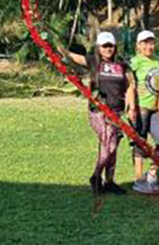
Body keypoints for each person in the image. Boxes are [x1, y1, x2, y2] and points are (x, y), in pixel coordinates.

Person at [59, 31, 136, 195]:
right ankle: (95, 176)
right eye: (104, 46)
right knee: (109, 143)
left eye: (110, 46)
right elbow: (71, 56)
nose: (108, 49)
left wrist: (132, 107)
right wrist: (54, 43)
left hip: (117, 112)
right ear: (99, 47)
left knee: (113, 147)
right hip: (98, 111)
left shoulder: (122, 65)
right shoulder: (93, 61)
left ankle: (109, 182)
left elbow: (129, 86)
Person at [130, 30, 159, 194]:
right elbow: (128, 83)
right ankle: (138, 180)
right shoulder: (135, 62)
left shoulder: (157, 62)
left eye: (151, 42)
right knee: (140, 143)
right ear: (138, 46)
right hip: (141, 108)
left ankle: (151, 174)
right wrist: (131, 106)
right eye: (145, 43)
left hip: (155, 110)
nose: (149, 46)